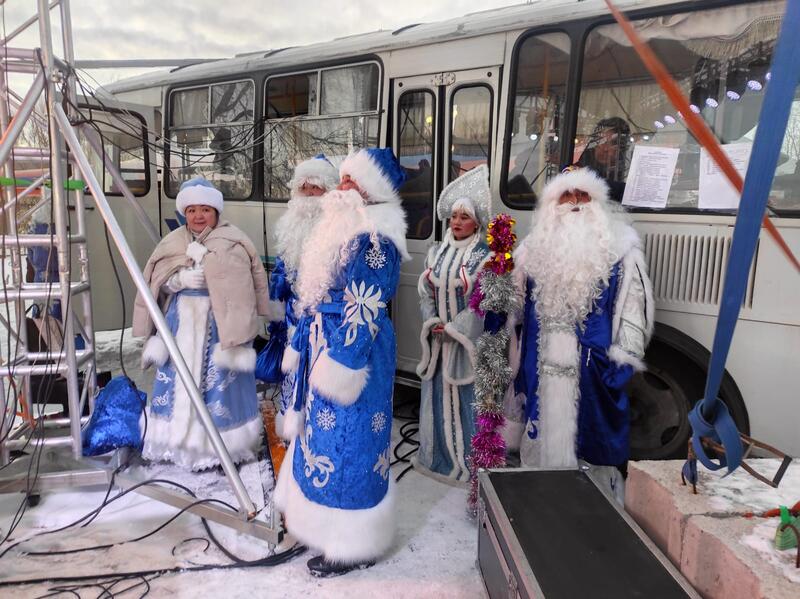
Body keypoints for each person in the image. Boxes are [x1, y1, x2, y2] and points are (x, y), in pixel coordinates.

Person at [274, 148, 408, 577]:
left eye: (353, 182)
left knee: (351, 441)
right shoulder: (337, 230)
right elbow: (313, 298)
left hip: (356, 355)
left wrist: (342, 364)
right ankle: (322, 525)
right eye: (344, 178)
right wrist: (301, 342)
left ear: (372, 193)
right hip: (324, 344)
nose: (342, 188)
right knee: (323, 440)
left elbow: (365, 307)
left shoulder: (375, 239)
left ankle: (352, 543)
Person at [504, 166, 653, 502]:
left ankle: (592, 514)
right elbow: (513, 306)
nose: (574, 203)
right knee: (540, 439)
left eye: (581, 195)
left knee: (590, 447)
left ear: (595, 201)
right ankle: (542, 503)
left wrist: (619, 363)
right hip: (540, 365)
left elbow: (633, 309)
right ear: (552, 203)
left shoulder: (620, 247)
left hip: (592, 368)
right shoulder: (531, 250)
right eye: (565, 196)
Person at [132, 177, 271, 470]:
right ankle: (174, 441)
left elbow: (248, 282)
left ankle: (222, 446)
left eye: (205, 209)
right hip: (180, 323)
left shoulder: (235, 240)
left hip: (221, 326)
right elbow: (154, 282)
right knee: (177, 381)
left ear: (216, 211)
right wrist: (176, 281)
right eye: (192, 209)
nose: (198, 216)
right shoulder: (171, 242)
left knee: (220, 384)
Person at [415, 165, 491, 484]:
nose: (457, 222)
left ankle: (469, 463)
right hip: (437, 344)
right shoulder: (436, 252)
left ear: (476, 222)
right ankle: (437, 457)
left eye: (464, 216)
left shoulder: (484, 257)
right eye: (454, 216)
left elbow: (482, 302)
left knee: (466, 401)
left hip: (464, 346)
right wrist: (432, 322)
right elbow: (425, 292)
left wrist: (455, 330)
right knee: (436, 398)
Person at [267, 155, 339, 440]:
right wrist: (276, 301)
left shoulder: (338, 227)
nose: (309, 195)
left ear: (328, 191)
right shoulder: (290, 226)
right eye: (304, 188)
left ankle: (320, 429)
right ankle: (292, 424)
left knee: (321, 373)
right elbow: (282, 268)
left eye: (316, 188)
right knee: (294, 369)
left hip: (326, 318)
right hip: (295, 316)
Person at [577, 117, 630, 202]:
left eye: (613, 143)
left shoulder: (629, 173)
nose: (605, 149)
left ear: (622, 148)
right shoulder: (580, 168)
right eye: (601, 142)